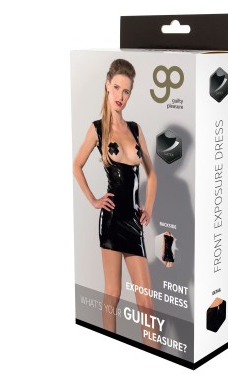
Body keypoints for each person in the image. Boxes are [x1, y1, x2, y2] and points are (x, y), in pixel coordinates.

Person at [73, 59, 157, 346]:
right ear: (107, 85)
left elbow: (152, 175)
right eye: (117, 87)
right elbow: (76, 165)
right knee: (113, 294)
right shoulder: (97, 129)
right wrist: (93, 200)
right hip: (111, 221)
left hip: (133, 222)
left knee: (146, 303)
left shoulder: (135, 128)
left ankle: (155, 354)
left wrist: (148, 208)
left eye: (127, 91)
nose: (121, 96)